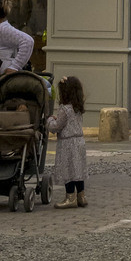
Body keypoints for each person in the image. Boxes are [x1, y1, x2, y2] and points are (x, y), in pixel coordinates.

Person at [55, 75, 88, 208]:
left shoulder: (64, 109)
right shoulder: (77, 107)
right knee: (78, 169)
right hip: (79, 141)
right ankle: (81, 196)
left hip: (67, 143)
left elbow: (57, 126)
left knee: (68, 170)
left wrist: (50, 121)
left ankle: (70, 197)